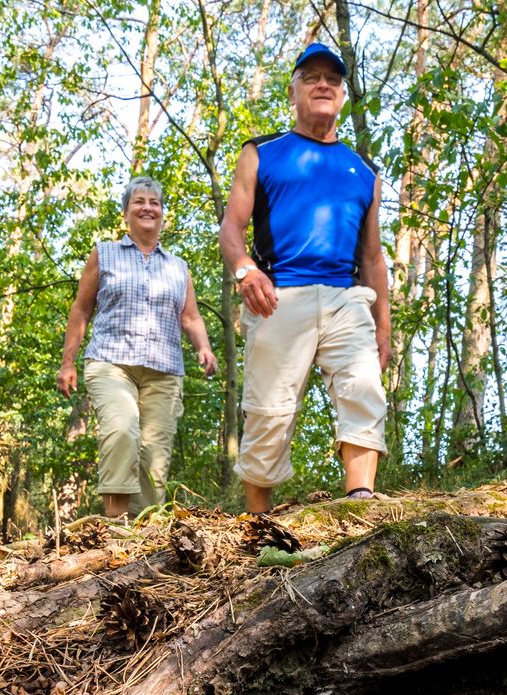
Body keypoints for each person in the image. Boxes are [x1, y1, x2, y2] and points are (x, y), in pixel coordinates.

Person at [219, 42, 392, 512]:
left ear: (342, 96)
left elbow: (373, 256)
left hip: (345, 297)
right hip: (278, 294)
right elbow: (231, 228)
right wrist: (244, 271)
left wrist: (383, 325)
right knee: (269, 412)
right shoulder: (262, 152)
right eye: (312, 77)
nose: (323, 85)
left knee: (364, 390)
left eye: (333, 80)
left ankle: (360, 505)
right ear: (293, 90)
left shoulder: (364, 171)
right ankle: (259, 521)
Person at [59, 177, 219, 518]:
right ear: (126, 214)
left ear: (162, 214)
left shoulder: (178, 267)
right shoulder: (104, 254)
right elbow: (81, 309)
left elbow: (190, 317)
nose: (148, 207)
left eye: (154, 203)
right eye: (139, 202)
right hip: (111, 362)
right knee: (121, 431)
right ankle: (116, 529)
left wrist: (203, 348)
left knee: (154, 456)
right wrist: (67, 362)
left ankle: (143, 537)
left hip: (164, 371)